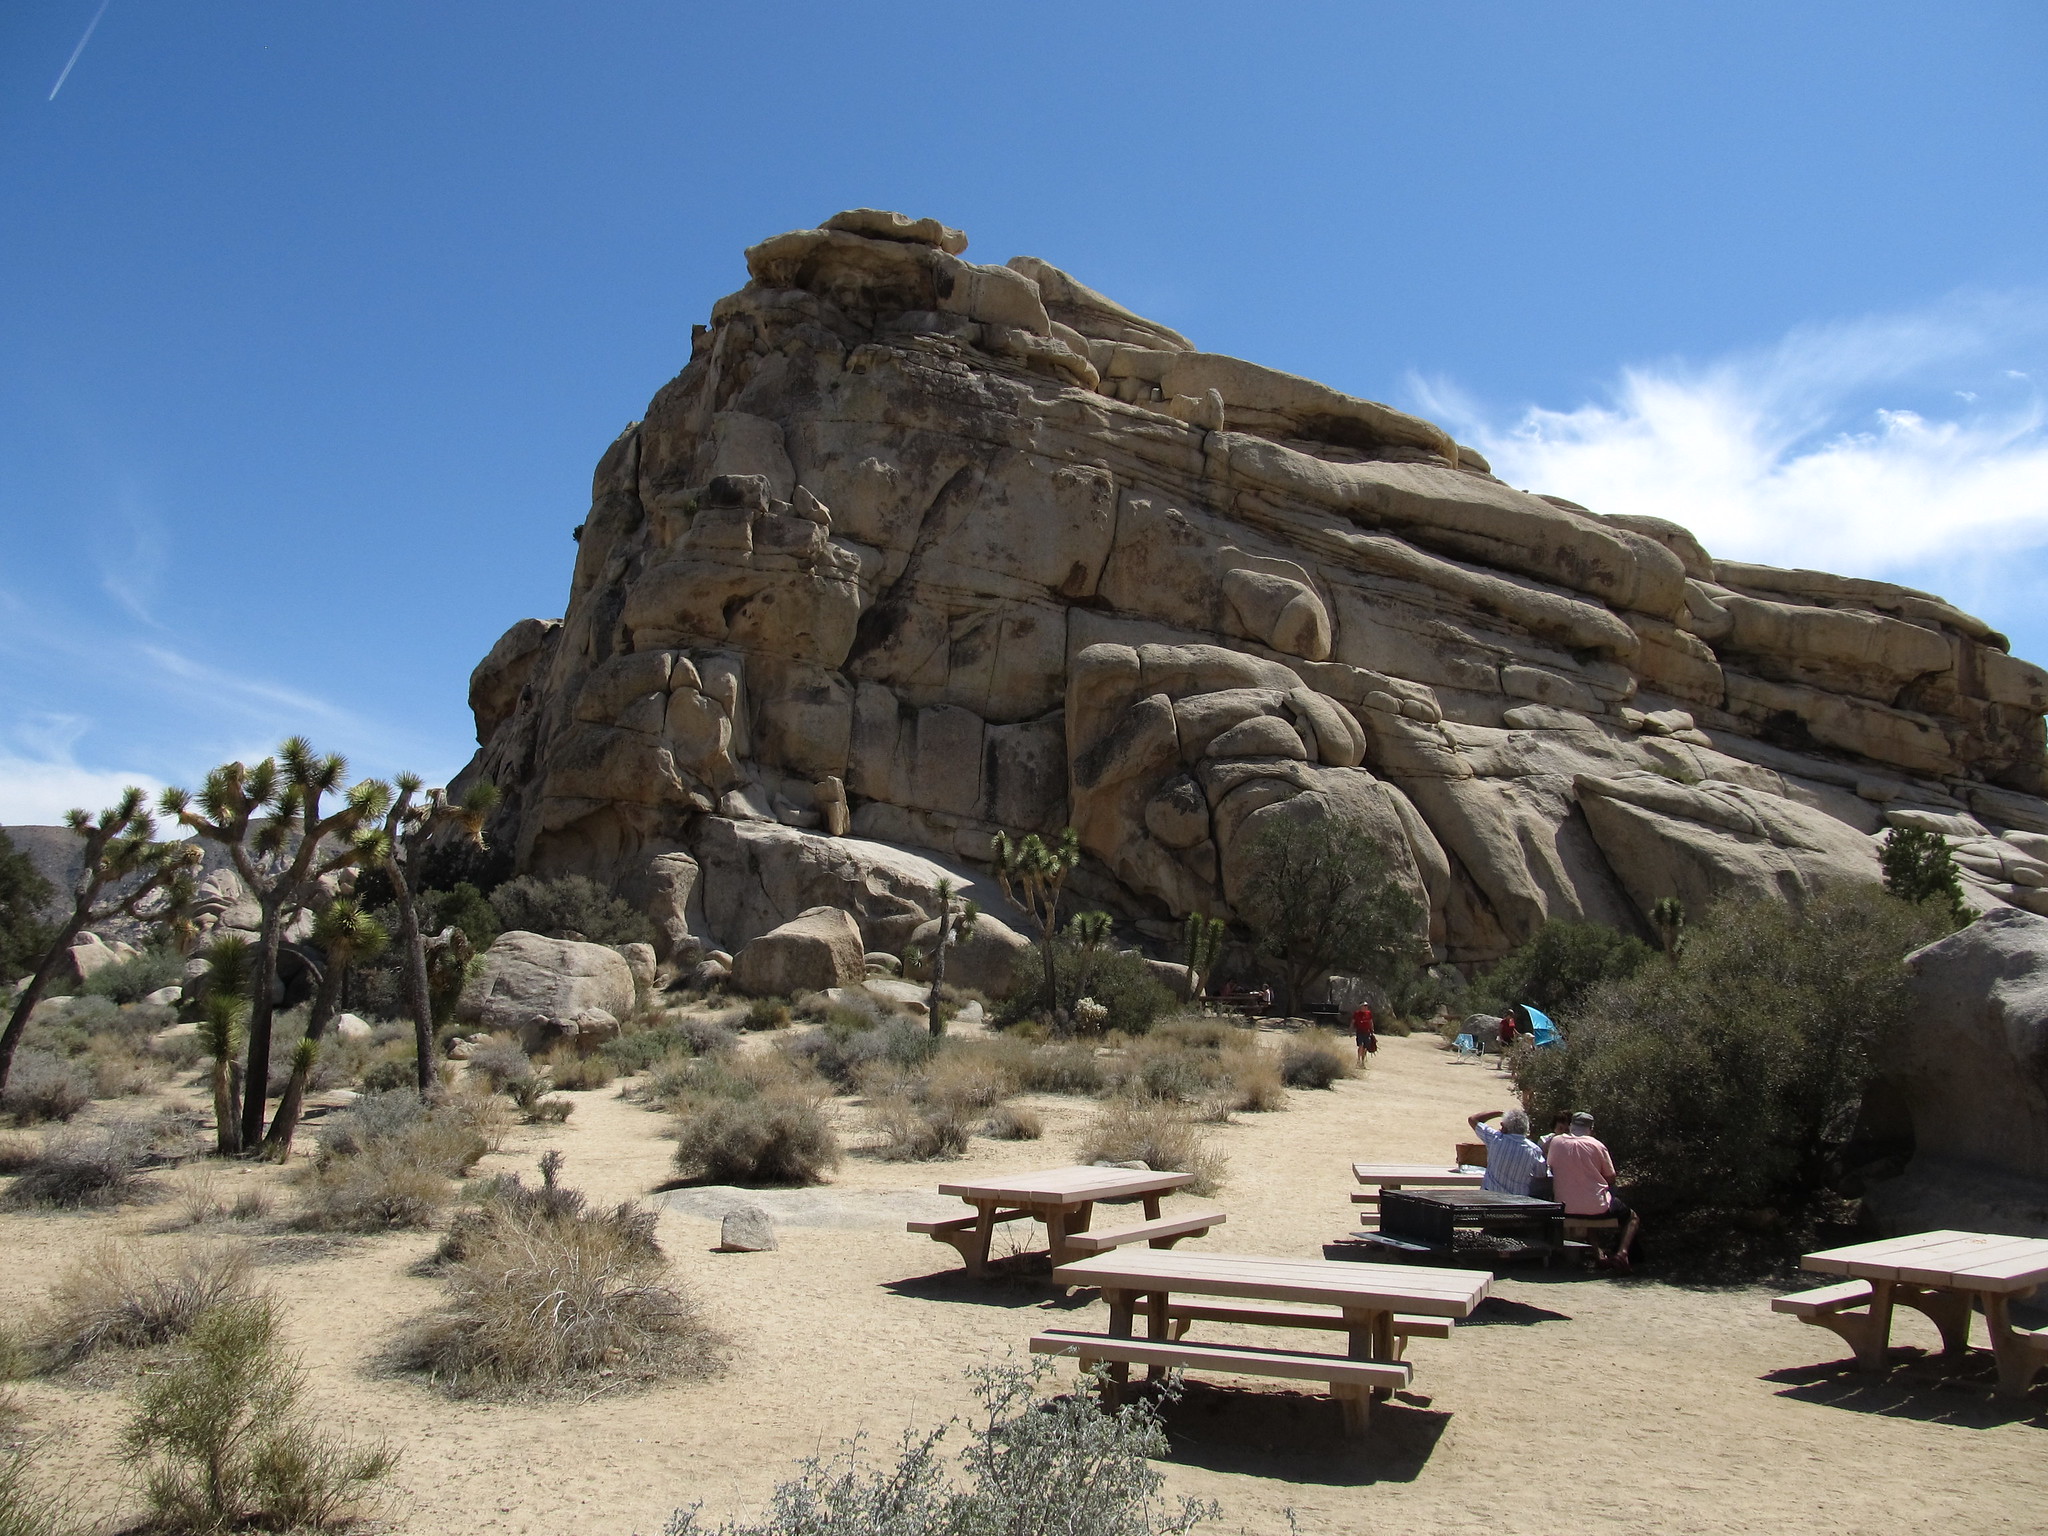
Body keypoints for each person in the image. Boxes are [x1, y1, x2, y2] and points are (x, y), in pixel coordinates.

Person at [1545, 1111, 1640, 1271]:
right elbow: (1611, 1178)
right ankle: (1622, 1254)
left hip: (1563, 1209)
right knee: (1632, 1217)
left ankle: (1598, 1254)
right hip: (1596, 1207)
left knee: (1585, 1199)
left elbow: (1551, 1166)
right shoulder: (1597, 1145)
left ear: (1570, 1126)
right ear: (1591, 1128)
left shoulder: (1556, 1142)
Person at [1467, 1107, 1546, 1197]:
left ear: (1504, 1127)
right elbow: (1541, 1175)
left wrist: (1499, 1113)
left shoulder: (1495, 1138)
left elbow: (1473, 1119)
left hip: (1489, 1200)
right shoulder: (1534, 1150)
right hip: (1518, 1204)